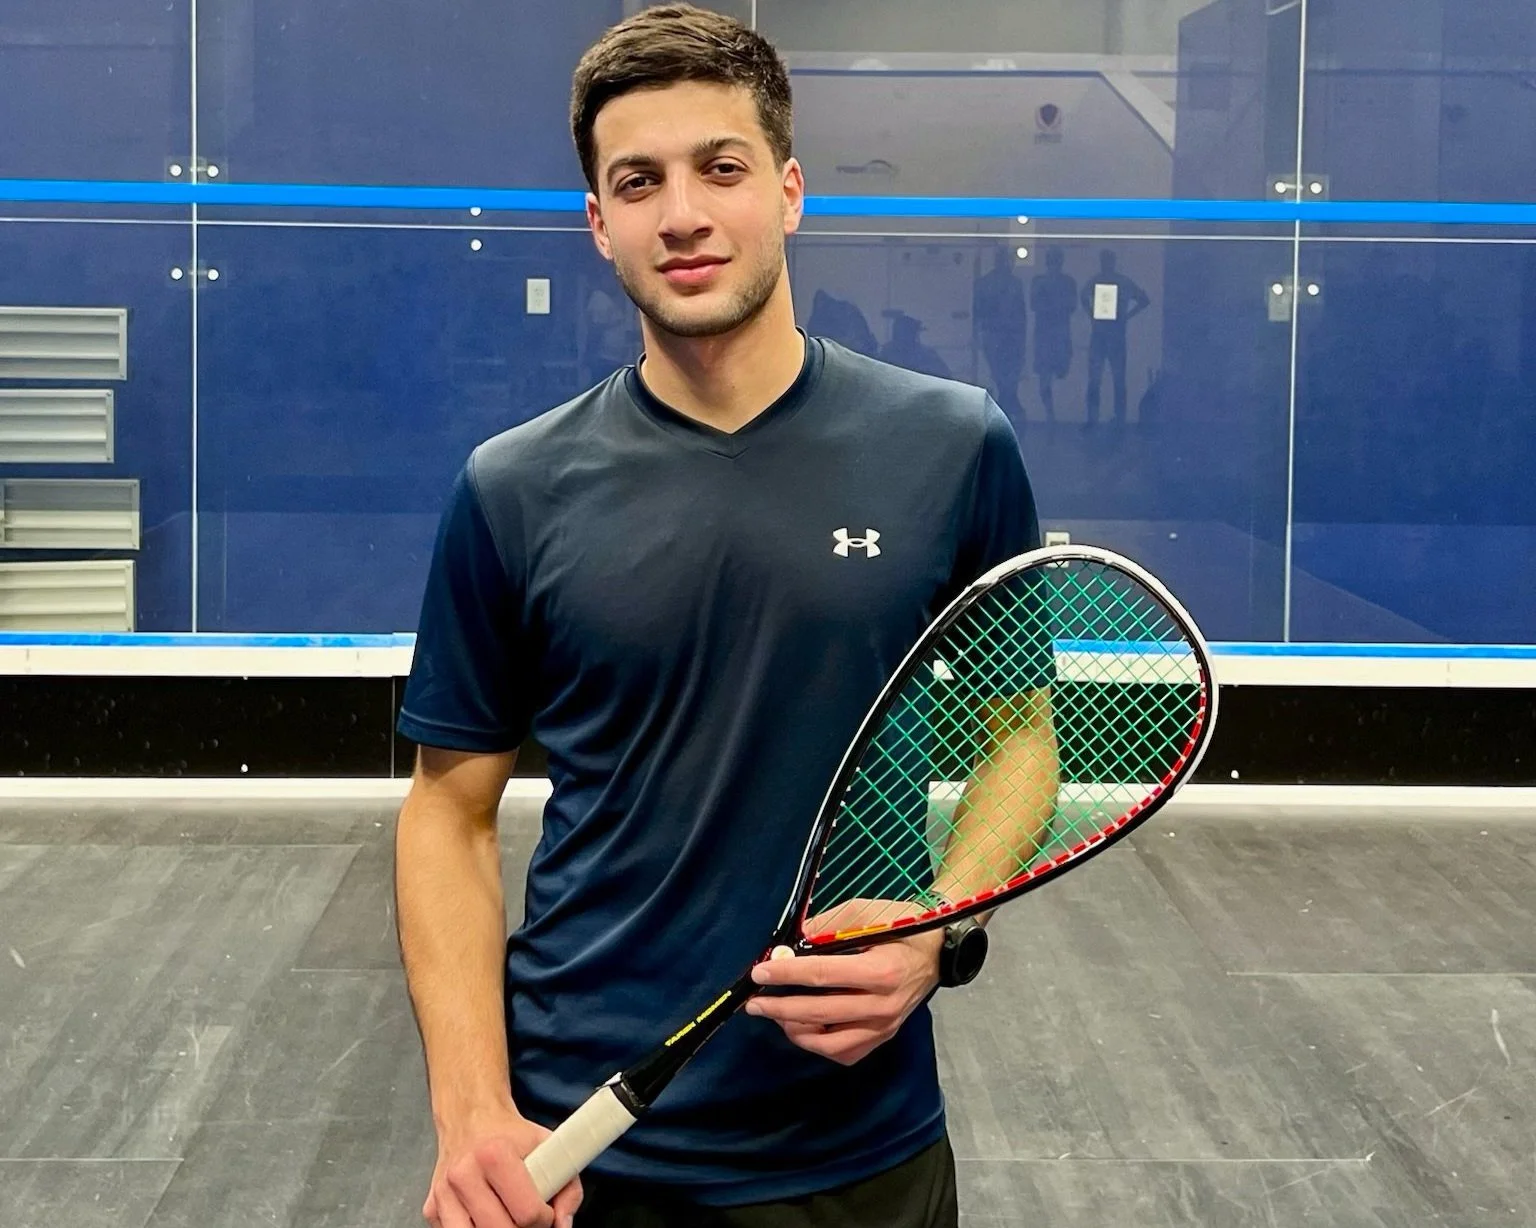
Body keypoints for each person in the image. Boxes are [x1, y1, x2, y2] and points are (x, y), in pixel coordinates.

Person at [393, 7, 1043, 1227]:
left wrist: (938, 927)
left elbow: (1022, 734)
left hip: (861, 1139)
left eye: (721, 168)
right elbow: (448, 807)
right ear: (599, 221)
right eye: (637, 181)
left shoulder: (953, 447)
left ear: (790, 191)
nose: (681, 212)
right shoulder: (512, 486)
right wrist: (471, 1106)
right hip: (578, 1143)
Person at [1080, 249, 1150, 427]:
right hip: (1101, 336)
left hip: (1115, 336)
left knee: (1117, 379)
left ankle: (1118, 420)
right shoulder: (1098, 280)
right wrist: (1092, 315)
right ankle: (1093, 419)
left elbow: (1144, 300)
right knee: (1096, 379)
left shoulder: (1121, 281)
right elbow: (1083, 296)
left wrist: (1127, 316)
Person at [972, 246, 1028, 432]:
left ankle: (1006, 414)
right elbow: (978, 312)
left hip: (1012, 336)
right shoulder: (985, 283)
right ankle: (1006, 414)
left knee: (1009, 377)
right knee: (999, 376)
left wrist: (1021, 339)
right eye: (1005, 259)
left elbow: (1021, 313)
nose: (1008, 264)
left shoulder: (1016, 283)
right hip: (993, 334)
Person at [1029, 246, 1077, 423]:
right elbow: (1034, 304)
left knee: (1062, 372)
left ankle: (1058, 414)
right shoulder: (1039, 281)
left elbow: (1071, 306)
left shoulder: (1068, 282)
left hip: (1061, 335)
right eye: (1052, 260)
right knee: (1044, 376)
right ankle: (1050, 414)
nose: (1054, 264)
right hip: (1044, 336)